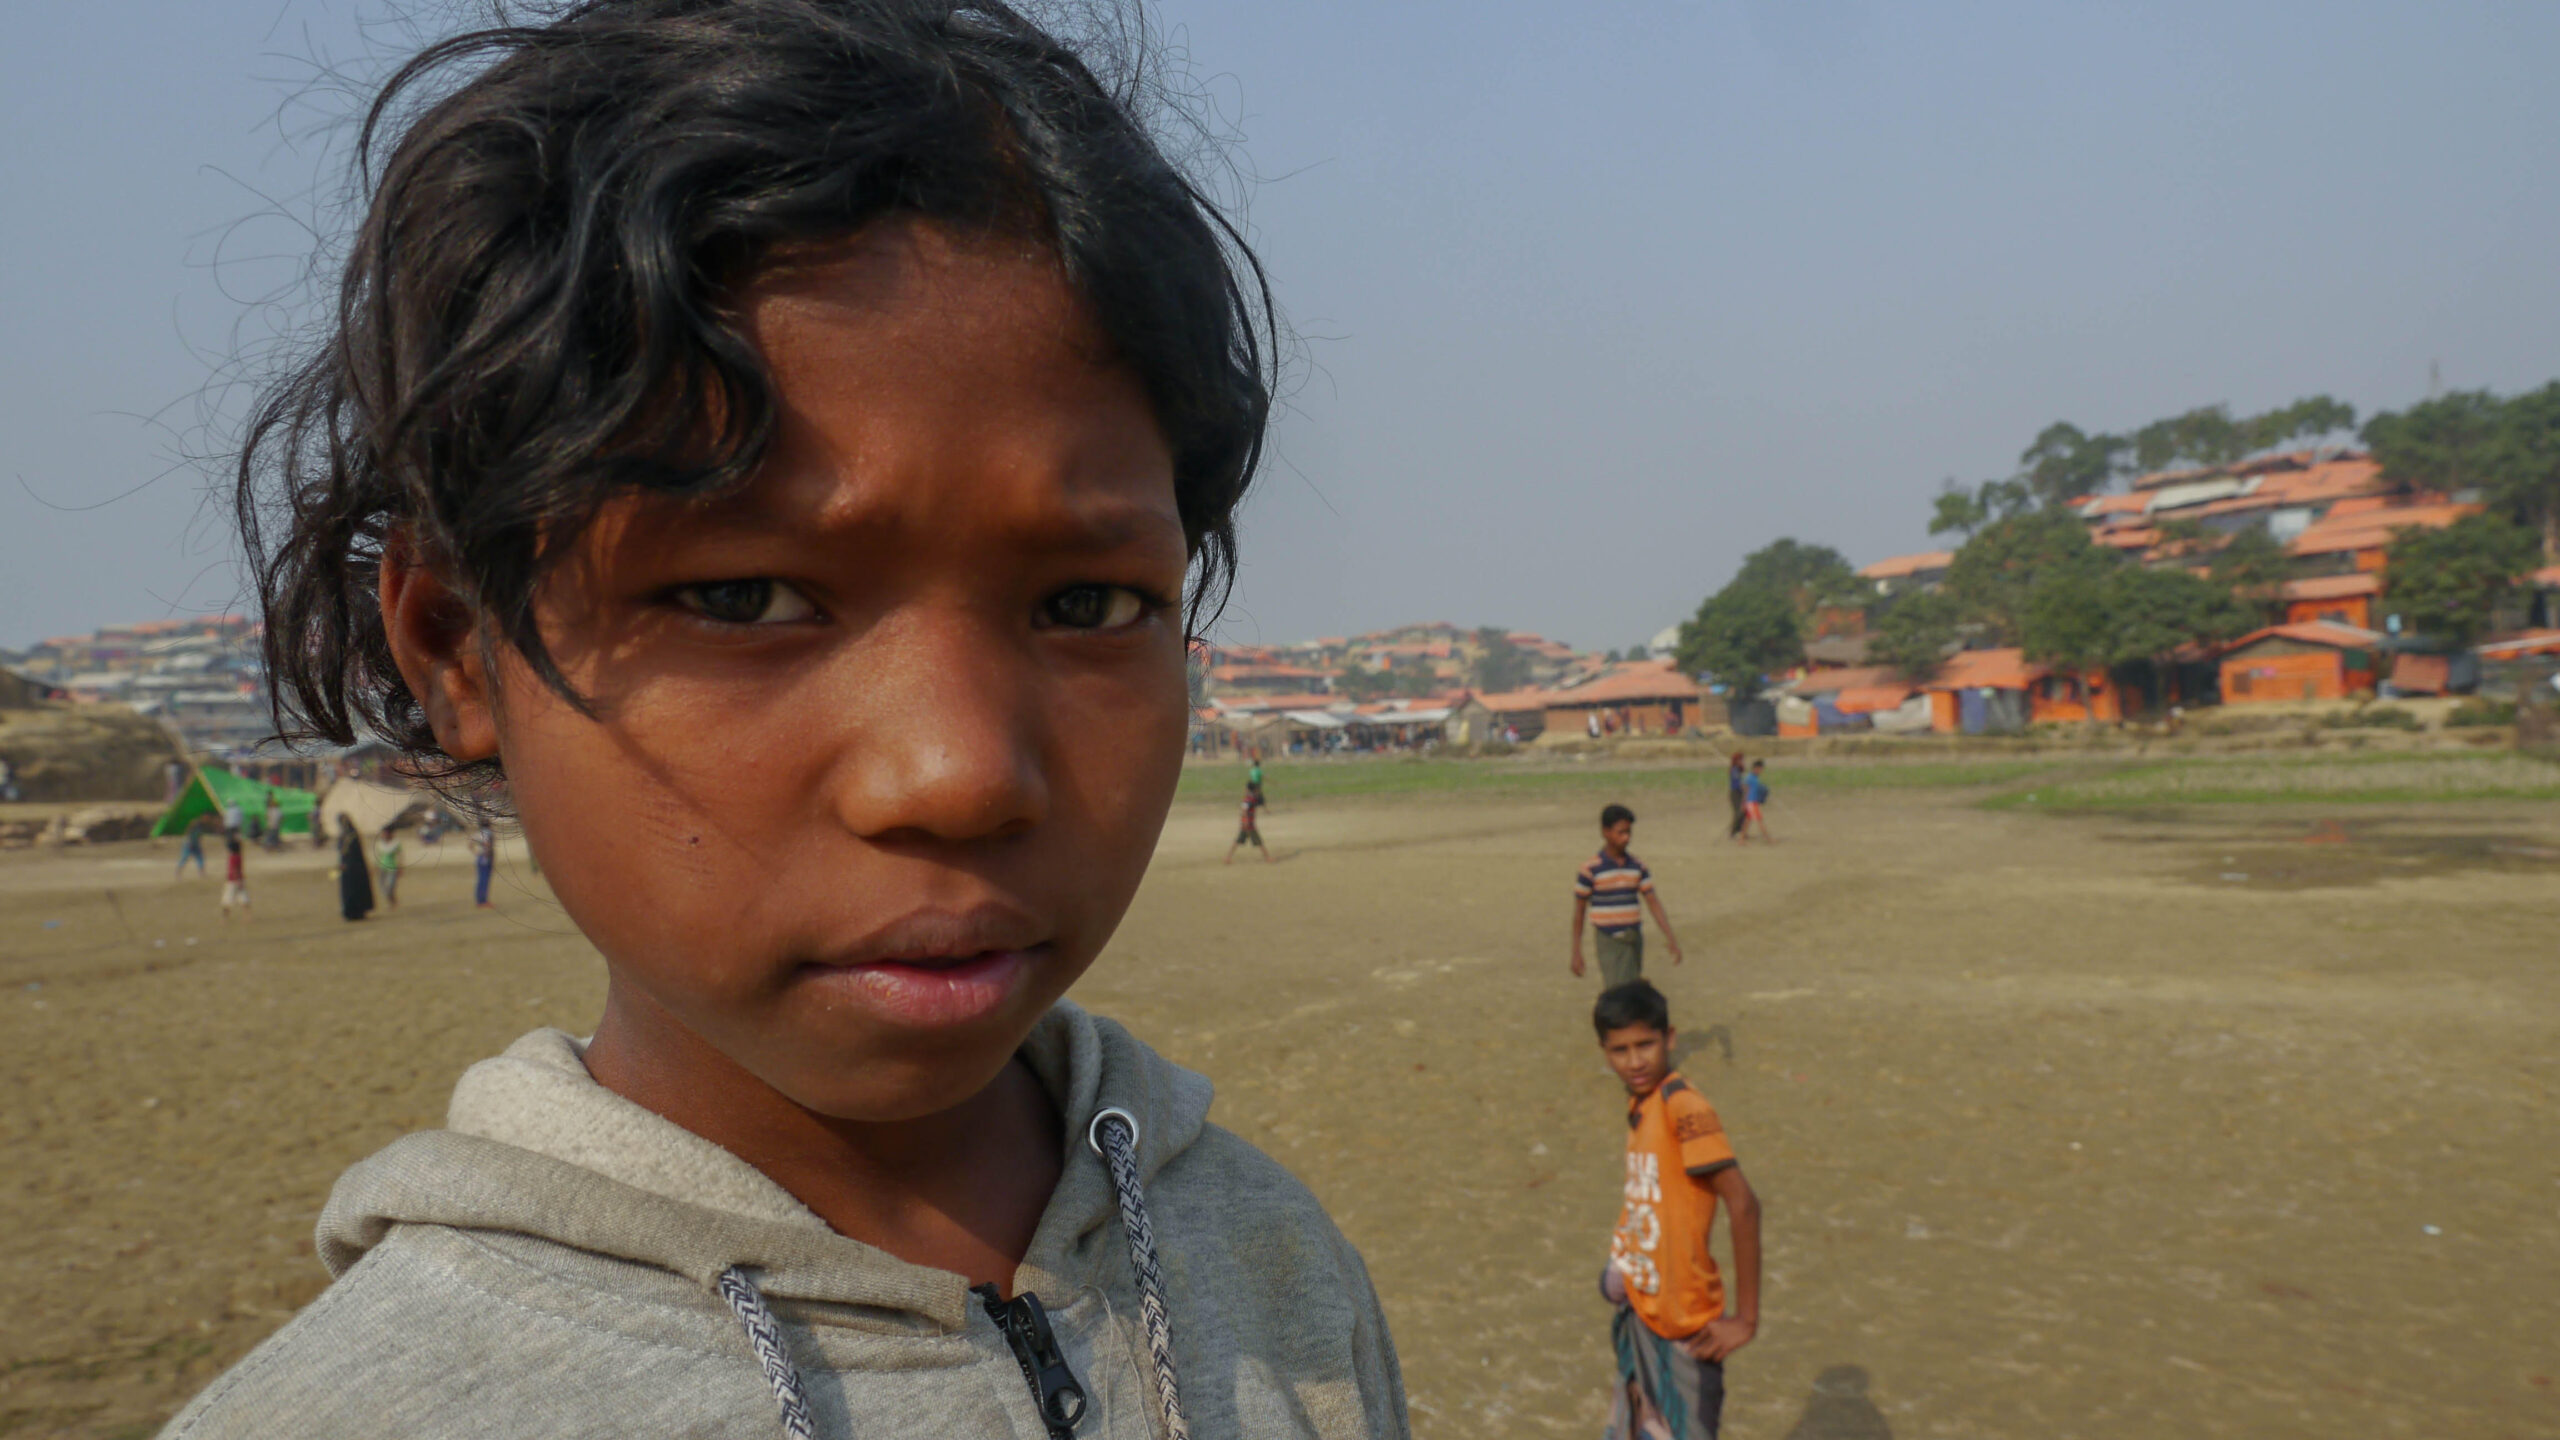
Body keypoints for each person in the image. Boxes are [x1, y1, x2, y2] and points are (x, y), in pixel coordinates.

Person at [162, 6, 1407, 1437]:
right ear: (456, 646)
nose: (958, 773)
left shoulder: (1274, 1264)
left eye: (1083, 606)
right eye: (747, 597)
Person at [1593, 981, 1762, 1440]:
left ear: (1669, 1038)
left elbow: (1743, 1203)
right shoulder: (1640, 1103)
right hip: (1645, 1310)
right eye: (1620, 1050)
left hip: (1688, 1324)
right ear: (1605, 1053)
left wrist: (1745, 1320)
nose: (1634, 1061)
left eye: (1645, 1044)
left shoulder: (1681, 1105)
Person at [1571, 804, 1685, 986]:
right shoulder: (1591, 869)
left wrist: (1670, 937)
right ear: (1605, 832)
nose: (1626, 838)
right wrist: (1576, 951)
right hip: (1609, 940)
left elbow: (1653, 902)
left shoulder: (1637, 866)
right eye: (1621, 832)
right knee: (1617, 994)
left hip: (1634, 939)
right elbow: (1579, 913)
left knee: (1632, 991)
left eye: (1629, 833)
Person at [335, 817, 375, 922]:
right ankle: (350, 912)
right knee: (347, 891)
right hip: (346, 870)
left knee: (357, 890)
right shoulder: (343, 837)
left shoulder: (353, 836)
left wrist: (348, 864)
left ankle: (358, 912)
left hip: (356, 869)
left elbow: (356, 854)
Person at [1225, 778, 1272, 864]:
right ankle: (1268, 858)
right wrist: (1246, 821)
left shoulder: (1250, 798)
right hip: (1249, 824)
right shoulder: (1249, 799)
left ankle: (1228, 858)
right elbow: (1244, 809)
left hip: (1246, 823)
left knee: (1238, 841)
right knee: (1259, 841)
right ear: (1254, 789)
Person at [220, 831, 251, 921]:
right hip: (239, 879)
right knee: (244, 899)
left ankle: (225, 918)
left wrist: (237, 880)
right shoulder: (238, 856)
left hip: (232, 880)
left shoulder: (232, 857)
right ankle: (247, 917)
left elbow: (234, 869)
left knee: (227, 900)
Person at [1742, 760, 1774, 843]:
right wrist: (1744, 802)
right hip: (1751, 802)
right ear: (1756, 768)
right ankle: (1768, 839)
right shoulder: (1750, 777)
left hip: (1753, 801)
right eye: (1761, 769)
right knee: (1759, 821)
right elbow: (1745, 789)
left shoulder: (1755, 777)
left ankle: (1741, 840)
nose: (1761, 771)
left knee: (1747, 821)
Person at [469, 820, 496, 908]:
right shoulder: (488, 833)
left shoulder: (477, 833)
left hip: (480, 856)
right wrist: (487, 854)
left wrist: (476, 852)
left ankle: (480, 900)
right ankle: (483, 901)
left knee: (480, 879)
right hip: (486, 857)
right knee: (485, 879)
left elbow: (470, 844)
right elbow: (487, 844)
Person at [376, 825, 405, 907]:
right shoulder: (380, 843)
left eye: (386, 833)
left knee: (391, 887)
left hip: (392, 867)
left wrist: (400, 868)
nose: (384, 835)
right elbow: (378, 856)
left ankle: (392, 900)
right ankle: (391, 900)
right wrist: (376, 866)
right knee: (382, 886)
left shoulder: (396, 843)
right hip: (382, 867)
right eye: (383, 834)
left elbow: (400, 855)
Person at [175, 814, 209, 878]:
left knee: (200, 858)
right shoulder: (196, 823)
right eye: (206, 818)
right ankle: (178, 873)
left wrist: (200, 844)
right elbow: (189, 832)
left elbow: (199, 836)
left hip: (195, 844)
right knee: (184, 858)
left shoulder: (202, 826)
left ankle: (202, 873)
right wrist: (189, 842)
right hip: (188, 843)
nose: (207, 820)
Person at [1724, 753, 1748, 842]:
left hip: (1741, 793)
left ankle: (1741, 831)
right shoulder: (1734, 770)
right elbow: (1737, 783)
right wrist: (1744, 786)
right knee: (1738, 812)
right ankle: (1733, 832)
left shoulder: (1739, 770)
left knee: (1744, 812)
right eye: (1740, 760)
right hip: (1735, 793)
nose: (1741, 762)